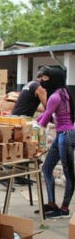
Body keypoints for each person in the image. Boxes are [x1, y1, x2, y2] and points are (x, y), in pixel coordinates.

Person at [37, 66, 75, 219]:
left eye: (45, 78)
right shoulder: (64, 92)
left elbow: (46, 117)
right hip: (62, 134)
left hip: (66, 135)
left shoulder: (55, 96)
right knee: (46, 168)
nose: (42, 82)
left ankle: (64, 209)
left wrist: (33, 126)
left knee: (69, 173)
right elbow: (47, 114)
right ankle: (51, 203)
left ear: (53, 79)